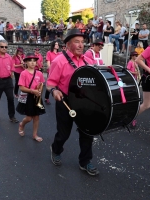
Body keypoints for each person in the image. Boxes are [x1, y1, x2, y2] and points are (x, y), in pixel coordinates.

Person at [46, 29, 99, 176]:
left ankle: (85, 161)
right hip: (65, 101)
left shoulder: (89, 61)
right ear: (68, 44)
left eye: (82, 42)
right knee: (64, 134)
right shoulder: (59, 61)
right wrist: (54, 91)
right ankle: (56, 149)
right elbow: (50, 84)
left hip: (84, 103)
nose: (81, 45)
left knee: (87, 133)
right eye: (77, 42)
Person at [16, 53, 46, 142]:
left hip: (37, 97)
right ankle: (22, 124)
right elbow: (21, 87)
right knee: (29, 117)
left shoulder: (39, 73)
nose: (32, 63)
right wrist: (33, 91)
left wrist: (39, 91)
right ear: (25, 62)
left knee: (36, 117)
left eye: (34, 61)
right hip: (28, 97)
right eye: (30, 61)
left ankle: (35, 135)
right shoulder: (23, 73)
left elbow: (41, 83)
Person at [44, 41, 61, 105]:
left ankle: (58, 97)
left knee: (58, 86)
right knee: (50, 85)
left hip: (58, 72)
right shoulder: (49, 53)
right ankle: (46, 98)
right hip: (51, 72)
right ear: (53, 45)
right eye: (56, 44)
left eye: (58, 44)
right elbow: (48, 63)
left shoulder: (59, 54)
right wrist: (52, 70)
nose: (57, 45)